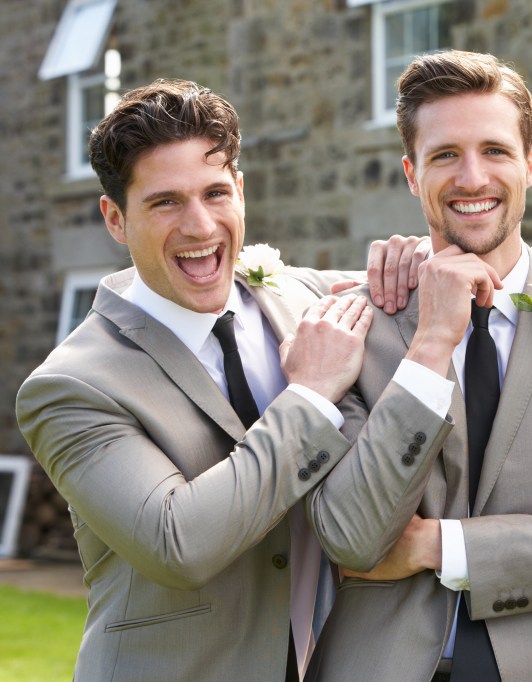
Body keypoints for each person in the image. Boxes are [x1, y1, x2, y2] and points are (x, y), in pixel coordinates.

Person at [303, 50, 532, 681]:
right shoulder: (350, 330)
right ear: (412, 174)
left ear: (530, 163)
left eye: (496, 151)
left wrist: (436, 547)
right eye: (445, 155)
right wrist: (430, 346)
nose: (473, 178)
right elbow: (353, 536)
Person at [16, 79, 372, 681]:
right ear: (115, 218)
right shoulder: (70, 387)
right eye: (166, 202)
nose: (201, 225)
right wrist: (310, 397)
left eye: (215, 192)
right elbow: (179, 544)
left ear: (241, 191)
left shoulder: (306, 298)